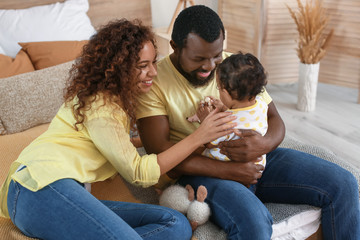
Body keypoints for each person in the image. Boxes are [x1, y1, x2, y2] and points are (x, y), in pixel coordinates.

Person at [136, 5, 360, 240]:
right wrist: (230, 171)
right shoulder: (155, 83)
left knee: (343, 184)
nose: (211, 66)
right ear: (175, 46)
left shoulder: (235, 66)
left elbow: (274, 119)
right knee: (254, 220)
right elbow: (162, 156)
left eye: (216, 55)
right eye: (198, 58)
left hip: (256, 159)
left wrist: (263, 145)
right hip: (202, 169)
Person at [0, 19, 237, 240]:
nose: (153, 72)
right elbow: (139, 173)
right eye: (142, 66)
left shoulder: (113, 103)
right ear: (117, 68)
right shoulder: (101, 107)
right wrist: (199, 137)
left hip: (64, 192)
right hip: (39, 187)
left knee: (176, 223)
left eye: (154, 62)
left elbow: (116, 144)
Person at [189, 52, 268, 174]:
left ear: (224, 92)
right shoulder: (261, 104)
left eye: (218, 88)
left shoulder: (229, 122)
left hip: (234, 168)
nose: (218, 91)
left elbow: (209, 143)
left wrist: (205, 119)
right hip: (258, 165)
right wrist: (223, 107)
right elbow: (244, 117)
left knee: (194, 153)